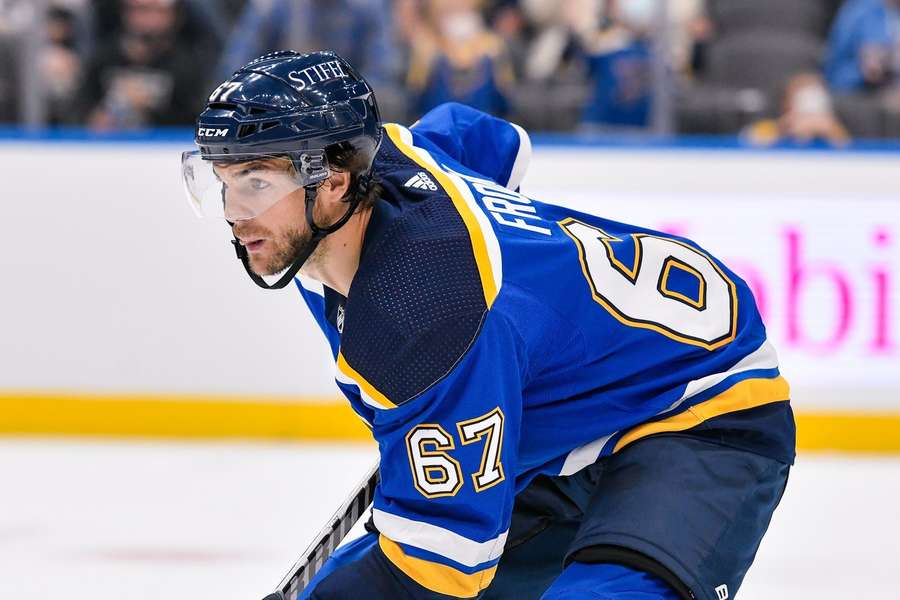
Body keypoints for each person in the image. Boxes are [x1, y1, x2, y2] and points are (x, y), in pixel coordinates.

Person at [182, 50, 795, 600]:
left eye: (257, 183)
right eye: (224, 183)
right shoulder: (385, 160)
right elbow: (488, 138)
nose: (236, 215)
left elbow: (440, 566)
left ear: (334, 182)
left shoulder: (425, 314)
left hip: (699, 409)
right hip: (556, 438)